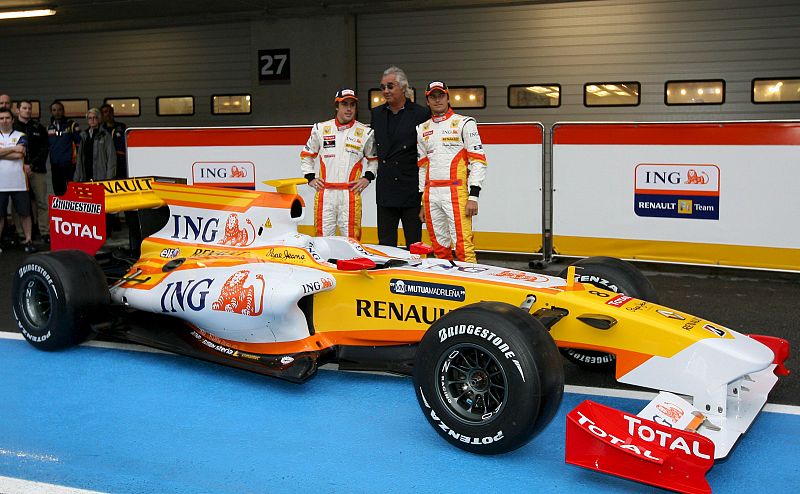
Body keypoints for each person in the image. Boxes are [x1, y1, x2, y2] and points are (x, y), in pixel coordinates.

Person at [417, 81, 487, 263]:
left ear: (448, 98)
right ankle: (446, 279)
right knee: (439, 248)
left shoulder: (464, 123)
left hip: (456, 192)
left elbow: (478, 161)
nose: (437, 100)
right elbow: (423, 167)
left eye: (441, 95)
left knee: (464, 247)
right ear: (427, 101)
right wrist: (423, 201)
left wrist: (474, 196)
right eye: (433, 96)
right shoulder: (422, 128)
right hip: (431, 194)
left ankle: (471, 280)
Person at [301, 88, 377, 240]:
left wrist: (367, 178)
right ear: (337, 106)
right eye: (345, 104)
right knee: (323, 240)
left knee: (351, 241)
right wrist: (310, 177)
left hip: (350, 194)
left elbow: (373, 160)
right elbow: (306, 155)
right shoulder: (321, 129)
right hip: (326, 194)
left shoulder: (365, 132)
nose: (349, 109)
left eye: (352, 105)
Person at [370, 66, 430, 248]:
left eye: (390, 86)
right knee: (385, 244)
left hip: (410, 189)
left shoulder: (421, 114)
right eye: (383, 87)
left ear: (403, 87)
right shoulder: (377, 114)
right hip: (386, 189)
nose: (386, 91)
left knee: (414, 244)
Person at [0, 108, 36, 253]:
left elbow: (20, 154)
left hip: (19, 182)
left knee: (25, 213)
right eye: (1, 118)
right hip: (1, 184)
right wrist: (14, 148)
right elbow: (16, 151)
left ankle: (28, 240)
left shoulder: (21, 135)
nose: (4, 121)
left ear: (12, 120)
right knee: (0, 215)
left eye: (7, 118)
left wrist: (3, 152)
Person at [14, 100, 50, 242]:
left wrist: (32, 165)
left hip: (37, 170)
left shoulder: (38, 127)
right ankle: (21, 233)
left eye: (29, 108)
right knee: (18, 203)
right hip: (17, 170)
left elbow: (45, 148)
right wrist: (23, 165)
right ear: (18, 110)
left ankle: (45, 232)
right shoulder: (12, 127)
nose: (27, 110)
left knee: (41, 202)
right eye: (24, 108)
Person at [47, 100, 81, 196]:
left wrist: (78, 162)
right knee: (59, 193)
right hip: (55, 166)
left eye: (59, 110)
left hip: (70, 165)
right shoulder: (49, 128)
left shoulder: (71, 125)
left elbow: (80, 144)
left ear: (63, 111)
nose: (57, 112)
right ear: (51, 112)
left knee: (73, 193)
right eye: (54, 110)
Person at [76, 108, 116, 182]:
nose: (92, 120)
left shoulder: (105, 136)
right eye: (90, 118)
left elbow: (111, 158)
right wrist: (77, 178)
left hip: (101, 176)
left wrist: (109, 179)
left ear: (99, 119)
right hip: (86, 175)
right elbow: (79, 160)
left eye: (95, 117)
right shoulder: (84, 136)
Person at [100, 104, 128, 178]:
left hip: (121, 162)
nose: (108, 114)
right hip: (106, 162)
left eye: (110, 111)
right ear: (102, 115)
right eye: (105, 112)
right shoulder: (100, 129)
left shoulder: (121, 126)